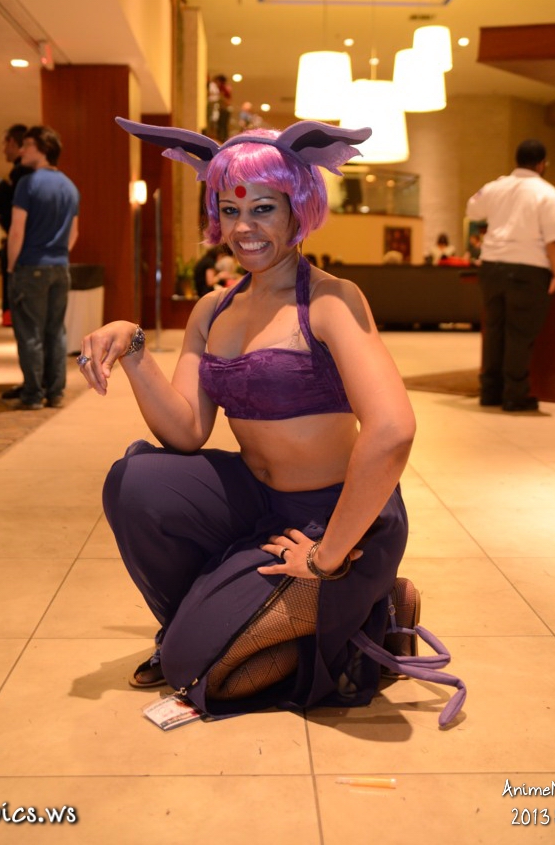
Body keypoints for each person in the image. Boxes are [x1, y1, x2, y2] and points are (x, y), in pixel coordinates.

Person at [76, 118, 466, 726]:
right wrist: (134, 348)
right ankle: (201, 623)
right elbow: (185, 432)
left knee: (196, 672)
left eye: (262, 209)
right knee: (136, 483)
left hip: (339, 521)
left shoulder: (332, 301)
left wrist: (327, 557)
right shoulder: (214, 310)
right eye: (230, 210)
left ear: (296, 210)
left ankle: (376, 612)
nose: (243, 228)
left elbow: (392, 430)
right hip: (259, 505)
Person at [466, 138, 555, 412]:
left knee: (494, 330)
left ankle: (490, 391)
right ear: (542, 164)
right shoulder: (547, 193)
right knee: (519, 332)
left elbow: (472, 209)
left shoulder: (495, 187)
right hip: (528, 269)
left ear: (517, 161)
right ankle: (514, 395)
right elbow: (554, 240)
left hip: (491, 267)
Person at [7, 125, 79, 409]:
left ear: (43, 148)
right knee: (55, 331)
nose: (22, 150)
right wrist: (57, 255)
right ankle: (56, 392)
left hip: (31, 266)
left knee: (30, 333)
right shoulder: (70, 187)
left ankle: (33, 394)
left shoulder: (28, 183)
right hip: (60, 267)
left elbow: (16, 232)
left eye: (27, 145)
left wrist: (11, 268)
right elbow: (74, 233)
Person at [0, 124, 32, 330]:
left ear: (13, 143)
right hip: (38, 253)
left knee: (26, 321)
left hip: (23, 251)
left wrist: (11, 265)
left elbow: (15, 226)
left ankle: (11, 318)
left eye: (5, 143)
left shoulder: (21, 176)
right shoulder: (30, 176)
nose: (3, 149)